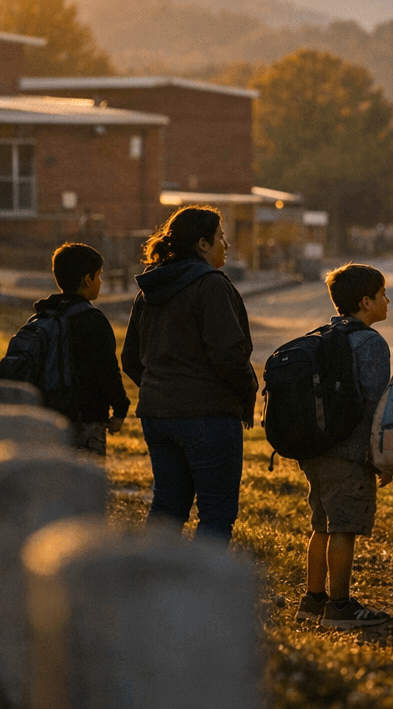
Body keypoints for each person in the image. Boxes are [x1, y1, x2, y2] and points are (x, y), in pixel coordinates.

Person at [121, 205, 255, 543]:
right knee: (216, 512)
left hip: (157, 415)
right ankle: (201, 593)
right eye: (221, 238)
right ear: (203, 244)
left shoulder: (149, 289)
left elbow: (130, 359)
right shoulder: (210, 285)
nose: (226, 245)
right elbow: (228, 353)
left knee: (167, 506)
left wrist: (162, 389)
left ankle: (150, 584)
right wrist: (246, 393)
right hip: (208, 416)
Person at [296, 263, 393, 629]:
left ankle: (313, 599)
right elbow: (374, 407)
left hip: (316, 449)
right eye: (383, 294)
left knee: (321, 525)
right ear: (366, 302)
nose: (388, 300)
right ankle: (339, 607)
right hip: (349, 453)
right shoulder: (370, 342)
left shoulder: (324, 334)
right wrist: (378, 457)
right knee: (343, 528)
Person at [37, 242, 129, 456]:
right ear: (88, 279)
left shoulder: (42, 316)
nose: (100, 282)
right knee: (84, 485)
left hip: (47, 420)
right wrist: (120, 409)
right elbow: (107, 370)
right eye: (99, 276)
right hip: (85, 421)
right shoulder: (93, 320)